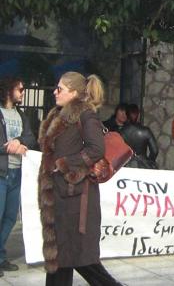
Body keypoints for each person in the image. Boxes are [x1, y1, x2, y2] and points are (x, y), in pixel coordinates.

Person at [38, 72, 121, 285]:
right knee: (61, 258)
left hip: (76, 198)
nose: (55, 92)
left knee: (80, 259)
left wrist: (64, 164)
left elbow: (96, 149)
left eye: (60, 89)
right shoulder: (57, 115)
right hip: (59, 195)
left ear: (74, 92)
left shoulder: (86, 116)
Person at [0, 77, 38, 276]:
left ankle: (0, 256)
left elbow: (31, 137)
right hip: (1, 173)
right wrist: (9, 148)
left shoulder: (21, 115)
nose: (23, 93)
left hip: (17, 174)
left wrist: (19, 140)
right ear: (9, 90)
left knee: (10, 217)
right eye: (20, 89)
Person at [120, 104, 159, 169]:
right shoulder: (146, 131)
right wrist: (149, 161)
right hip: (143, 166)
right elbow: (155, 151)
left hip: (125, 166)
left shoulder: (121, 132)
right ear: (138, 115)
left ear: (126, 115)